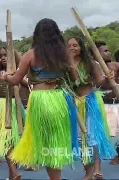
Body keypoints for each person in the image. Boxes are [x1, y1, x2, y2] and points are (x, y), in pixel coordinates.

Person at [6, 18, 79, 180]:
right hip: (59, 99)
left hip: (39, 101)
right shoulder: (64, 55)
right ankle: (55, 177)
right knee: (55, 142)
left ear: (37, 35)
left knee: (45, 142)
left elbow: (16, 80)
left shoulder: (30, 55)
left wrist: (6, 76)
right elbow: (75, 78)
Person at [68, 37, 116, 179]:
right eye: (69, 46)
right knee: (80, 138)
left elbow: (100, 82)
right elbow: (71, 82)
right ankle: (88, 171)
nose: (72, 48)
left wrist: (108, 78)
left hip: (90, 103)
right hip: (74, 104)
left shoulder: (91, 64)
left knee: (93, 136)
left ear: (81, 47)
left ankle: (97, 168)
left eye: (75, 45)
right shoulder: (64, 65)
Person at [0, 46, 27, 180]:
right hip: (3, 106)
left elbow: (28, 84)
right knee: (7, 140)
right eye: (0, 56)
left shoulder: (17, 72)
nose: (3, 58)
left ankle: (12, 174)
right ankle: (14, 172)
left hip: (16, 106)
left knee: (16, 140)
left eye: (6, 55)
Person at [99, 44, 119, 165]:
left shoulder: (115, 65)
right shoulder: (94, 67)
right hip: (103, 105)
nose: (108, 52)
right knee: (101, 135)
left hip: (116, 104)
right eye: (105, 51)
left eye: (108, 50)